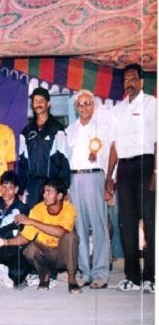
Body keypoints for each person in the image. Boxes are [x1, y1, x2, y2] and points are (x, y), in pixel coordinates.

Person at [106, 63, 156, 293]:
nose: (130, 83)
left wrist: (156, 173)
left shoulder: (151, 104)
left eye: (134, 78)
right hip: (124, 169)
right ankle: (132, 278)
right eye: (126, 80)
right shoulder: (117, 110)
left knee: (150, 223)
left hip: (146, 166)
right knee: (126, 224)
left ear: (142, 81)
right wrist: (109, 176)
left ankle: (151, 278)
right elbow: (114, 146)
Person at [0, 178, 82, 294]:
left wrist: (32, 221)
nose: (45, 195)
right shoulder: (38, 209)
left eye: (49, 192)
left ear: (59, 196)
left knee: (71, 237)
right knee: (29, 249)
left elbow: (61, 232)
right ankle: (44, 276)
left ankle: (72, 280)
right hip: (46, 253)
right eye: (44, 191)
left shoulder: (69, 208)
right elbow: (26, 237)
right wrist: (5, 242)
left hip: (63, 255)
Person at [66, 90, 112, 289]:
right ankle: (85, 272)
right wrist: (67, 187)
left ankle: (101, 273)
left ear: (93, 106)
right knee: (80, 227)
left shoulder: (102, 128)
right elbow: (66, 158)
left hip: (95, 177)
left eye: (87, 103)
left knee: (99, 226)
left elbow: (111, 154)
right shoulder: (70, 130)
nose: (84, 107)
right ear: (76, 108)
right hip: (75, 179)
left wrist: (110, 181)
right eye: (80, 104)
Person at [18, 87, 70, 209]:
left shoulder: (57, 128)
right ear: (32, 105)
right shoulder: (26, 131)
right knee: (32, 221)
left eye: (42, 101)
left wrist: (64, 188)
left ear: (48, 104)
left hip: (52, 186)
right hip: (32, 186)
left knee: (51, 225)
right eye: (35, 101)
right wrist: (21, 188)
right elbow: (23, 163)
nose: (38, 104)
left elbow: (64, 160)